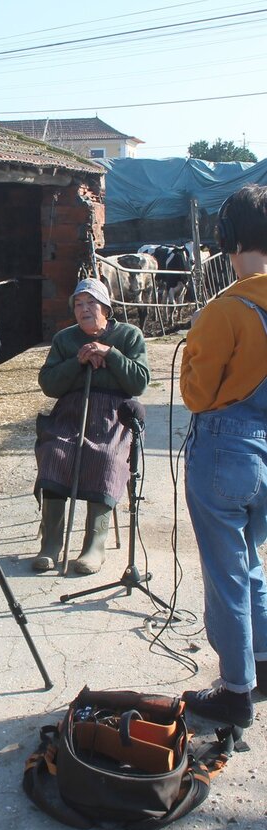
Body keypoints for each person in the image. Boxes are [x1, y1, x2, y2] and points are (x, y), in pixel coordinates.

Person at [181, 184, 267, 728]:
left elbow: (196, 394)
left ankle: (235, 692)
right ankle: (262, 660)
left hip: (225, 452)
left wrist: (195, 342)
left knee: (226, 575)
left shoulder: (225, 310)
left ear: (228, 238)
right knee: (252, 562)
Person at [33, 277, 150, 573]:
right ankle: (51, 544)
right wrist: (78, 361)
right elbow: (48, 384)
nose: (84, 309)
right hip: (71, 412)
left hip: (114, 416)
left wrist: (110, 354)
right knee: (55, 451)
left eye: (91, 303)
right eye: (78, 304)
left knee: (105, 457)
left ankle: (94, 546)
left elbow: (139, 382)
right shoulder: (65, 339)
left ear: (106, 308)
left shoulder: (129, 335)